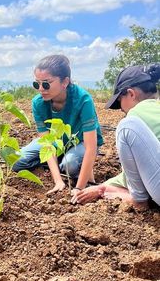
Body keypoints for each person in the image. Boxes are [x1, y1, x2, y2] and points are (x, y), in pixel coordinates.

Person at [13, 55, 103, 200]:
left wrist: (79, 188)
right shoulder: (38, 103)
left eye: (46, 84)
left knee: (70, 166)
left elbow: (91, 147)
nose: (41, 89)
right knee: (16, 160)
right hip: (55, 143)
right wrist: (58, 181)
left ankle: (67, 161)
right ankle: (59, 161)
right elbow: (47, 144)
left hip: (80, 142)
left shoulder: (83, 99)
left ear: (65, 82)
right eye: (37, 84)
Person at [76, 65, 160, 209]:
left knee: (126, 126)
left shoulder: (137, 114)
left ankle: (138, 200)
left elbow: (135, 177)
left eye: (120, 100)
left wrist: (101, 188)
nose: (121, 108)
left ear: (131, 94)